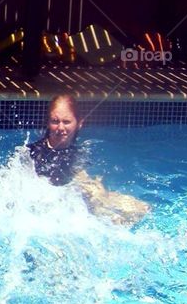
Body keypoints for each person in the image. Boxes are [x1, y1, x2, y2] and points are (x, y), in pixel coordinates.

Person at [27, 95, 149, 225]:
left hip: (73, 197)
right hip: (52, 203)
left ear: (79, 123)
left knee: (142, 208)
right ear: (48, 123)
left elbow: (78, 175)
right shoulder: (34, 152)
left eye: (66, 122)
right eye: (55, 121)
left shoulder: (78, 151)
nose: (60, 128)